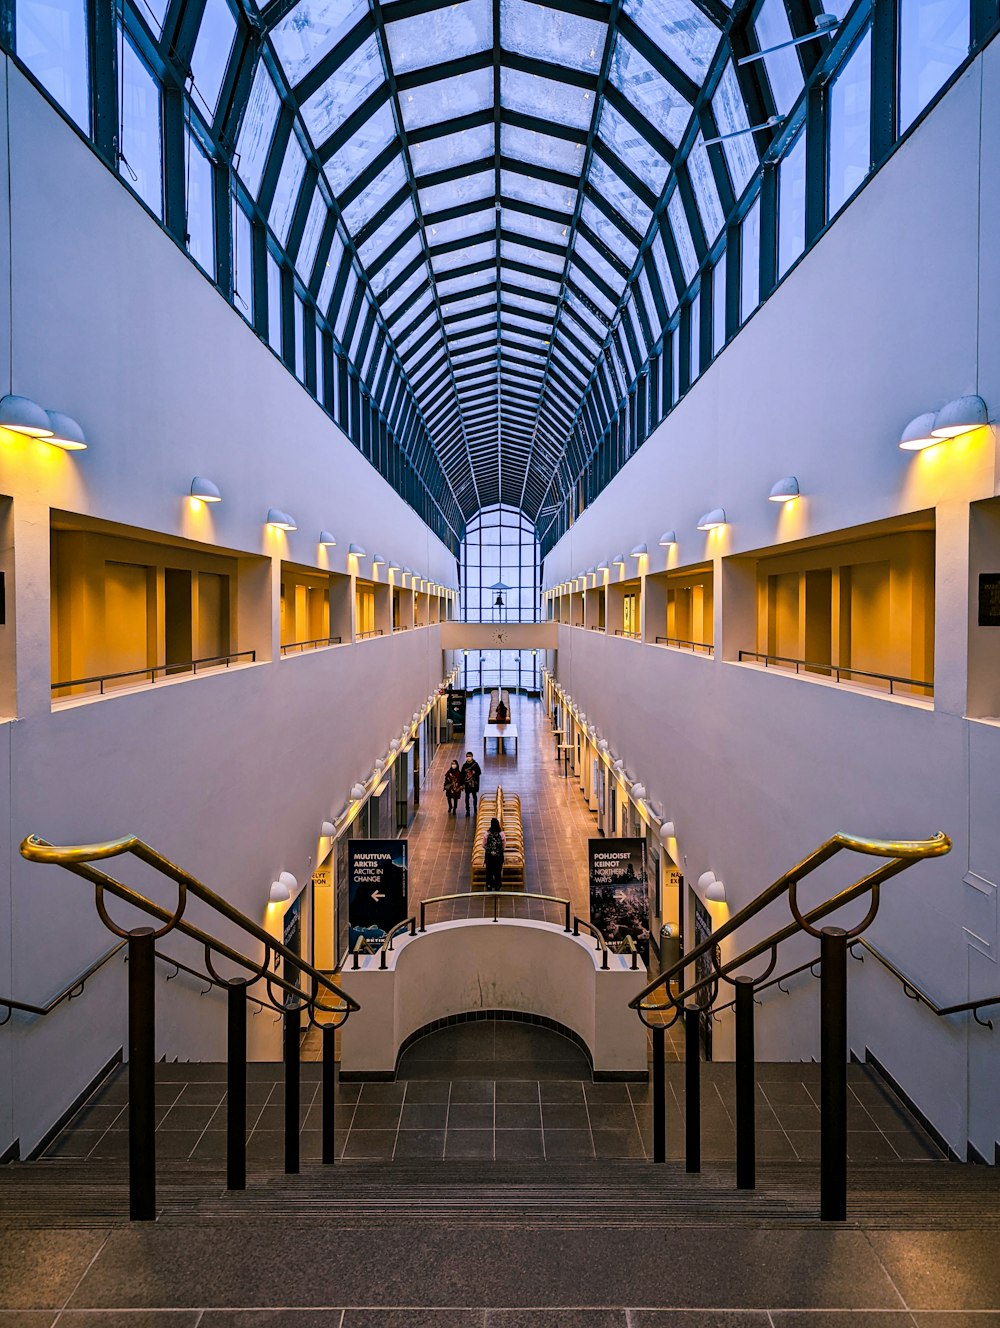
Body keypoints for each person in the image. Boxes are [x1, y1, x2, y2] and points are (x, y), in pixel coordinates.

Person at [483, 815, 505, 891]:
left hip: (489, 856)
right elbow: (503, 846)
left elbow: (484, 845)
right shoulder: (501, 834)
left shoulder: (487, 834)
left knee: (489, 871)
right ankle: (497, 885)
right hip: (498, 857)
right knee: (498, 871)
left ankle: (489, 885)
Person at [461, 751, 482, 817]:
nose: (468, 758)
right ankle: (467, 810)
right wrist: (462, 784)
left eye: (469, 756)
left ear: (472, 757)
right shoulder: (464, 765)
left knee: (474, 796)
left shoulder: (475, 765)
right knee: (467, 797)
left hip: (473, 784)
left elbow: (479, 772)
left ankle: (475, 809)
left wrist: (474, 772)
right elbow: (462, 775)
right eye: (467, 756)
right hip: (467, 784)